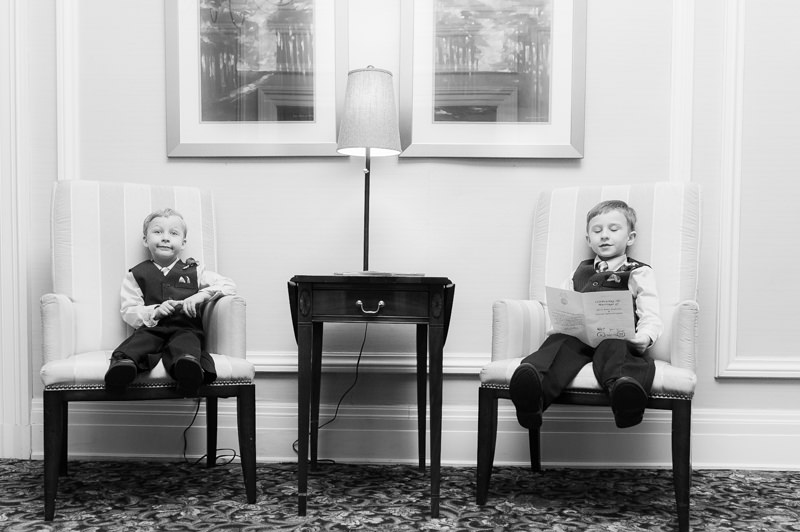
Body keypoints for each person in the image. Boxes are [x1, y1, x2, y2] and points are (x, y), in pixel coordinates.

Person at [509, 199, 662, 429]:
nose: (605, 236)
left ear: (630, 238)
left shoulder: (638, 272)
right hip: (579, 339)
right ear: (589, 240)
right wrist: (560, 327)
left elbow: (650, 311)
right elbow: (563, 305)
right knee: (559, 344)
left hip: (616, 338)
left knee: (617, 351)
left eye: (613, 229)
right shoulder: (578, 272)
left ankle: (624, 392)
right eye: (597, 231)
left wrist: (645, 337)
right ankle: (532, 392)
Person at [104, 208, 236, 394]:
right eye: (158, 232)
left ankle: (187, 368)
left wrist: (202, 295)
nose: (165, 238)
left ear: (183, 243)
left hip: (185, 328)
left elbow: (228, 285)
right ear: (145, 239)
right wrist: (155, 311)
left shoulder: (195, 271)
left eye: (173, 233)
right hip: (152, 329)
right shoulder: (136, 274)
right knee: (138, 343)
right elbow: (129, 310)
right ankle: (124, 367)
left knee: (186, 344)